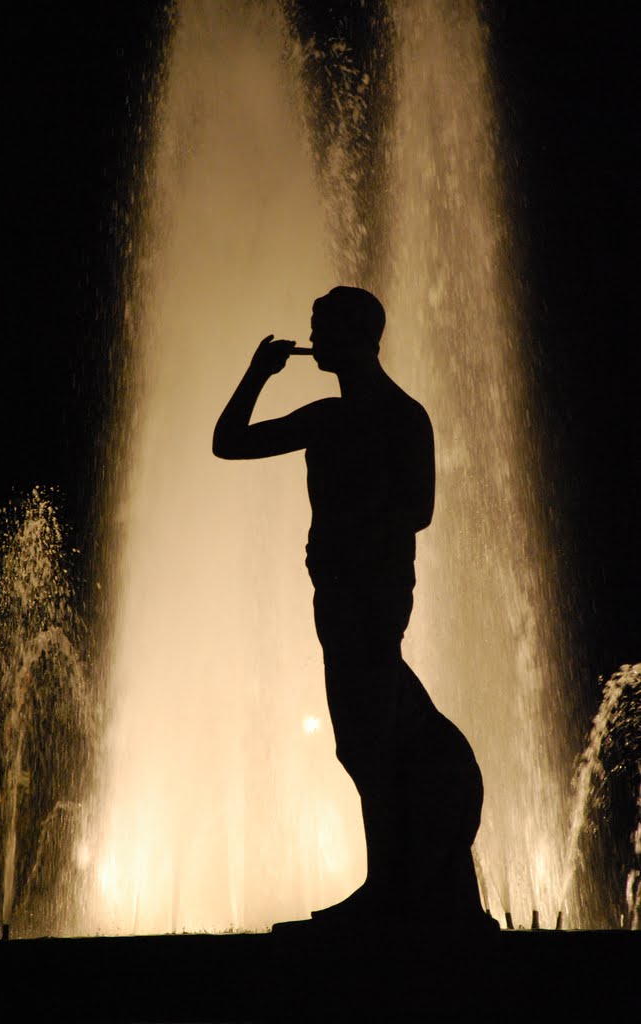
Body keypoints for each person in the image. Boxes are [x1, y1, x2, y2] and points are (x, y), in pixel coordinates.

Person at [213, 286, 490, 931]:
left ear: (361, 335)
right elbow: (229, 443)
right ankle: (404, 879)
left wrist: (350, 535)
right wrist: (256, 374)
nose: (316, 340)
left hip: (373, 591)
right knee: (363, 736)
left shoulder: (401, 416)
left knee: (367, 735)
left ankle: (389, 888)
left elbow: (418, 509)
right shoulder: (326, 418)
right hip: (335, 593)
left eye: (324, 328)